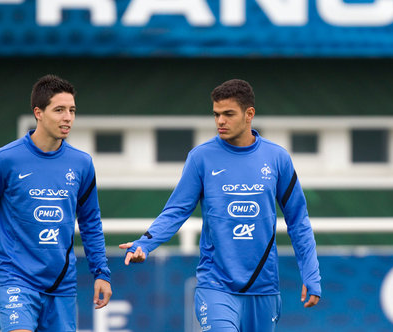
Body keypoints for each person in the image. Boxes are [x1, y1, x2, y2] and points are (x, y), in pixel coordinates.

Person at [120, 79, 321, 331]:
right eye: (216, 114)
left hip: (264, 289)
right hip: (216, 286)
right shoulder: (201, 158)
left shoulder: (277, 158)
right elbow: (176, 210)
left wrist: (311, 274)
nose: (220, 121)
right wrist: (145, 243)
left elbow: (298, 221)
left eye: (228, 114)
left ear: (249, 114)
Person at [0, 74, 112, 332]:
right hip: (16, 278)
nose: (68, 117)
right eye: (59, 110)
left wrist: (102, 273)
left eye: (72, 110)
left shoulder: (82, 163)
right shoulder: (5, 159)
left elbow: (90, 222)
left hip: (61, 285)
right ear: (38, 113)